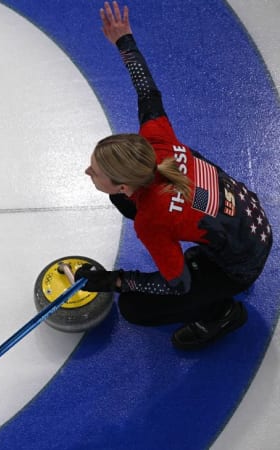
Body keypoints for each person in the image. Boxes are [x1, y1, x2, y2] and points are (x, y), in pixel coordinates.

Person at [75, 2, 273, 350]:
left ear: (125, 184)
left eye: (96, 172)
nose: (87, 171)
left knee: (134, 308)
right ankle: (211, 265)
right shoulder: (157, 139)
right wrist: (124, 41)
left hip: (240, 264)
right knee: (135, 206)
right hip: (249, 220)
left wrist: (114, 281)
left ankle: (223, 314)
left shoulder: (152, 220)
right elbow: (147, 92)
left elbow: (176, 285)